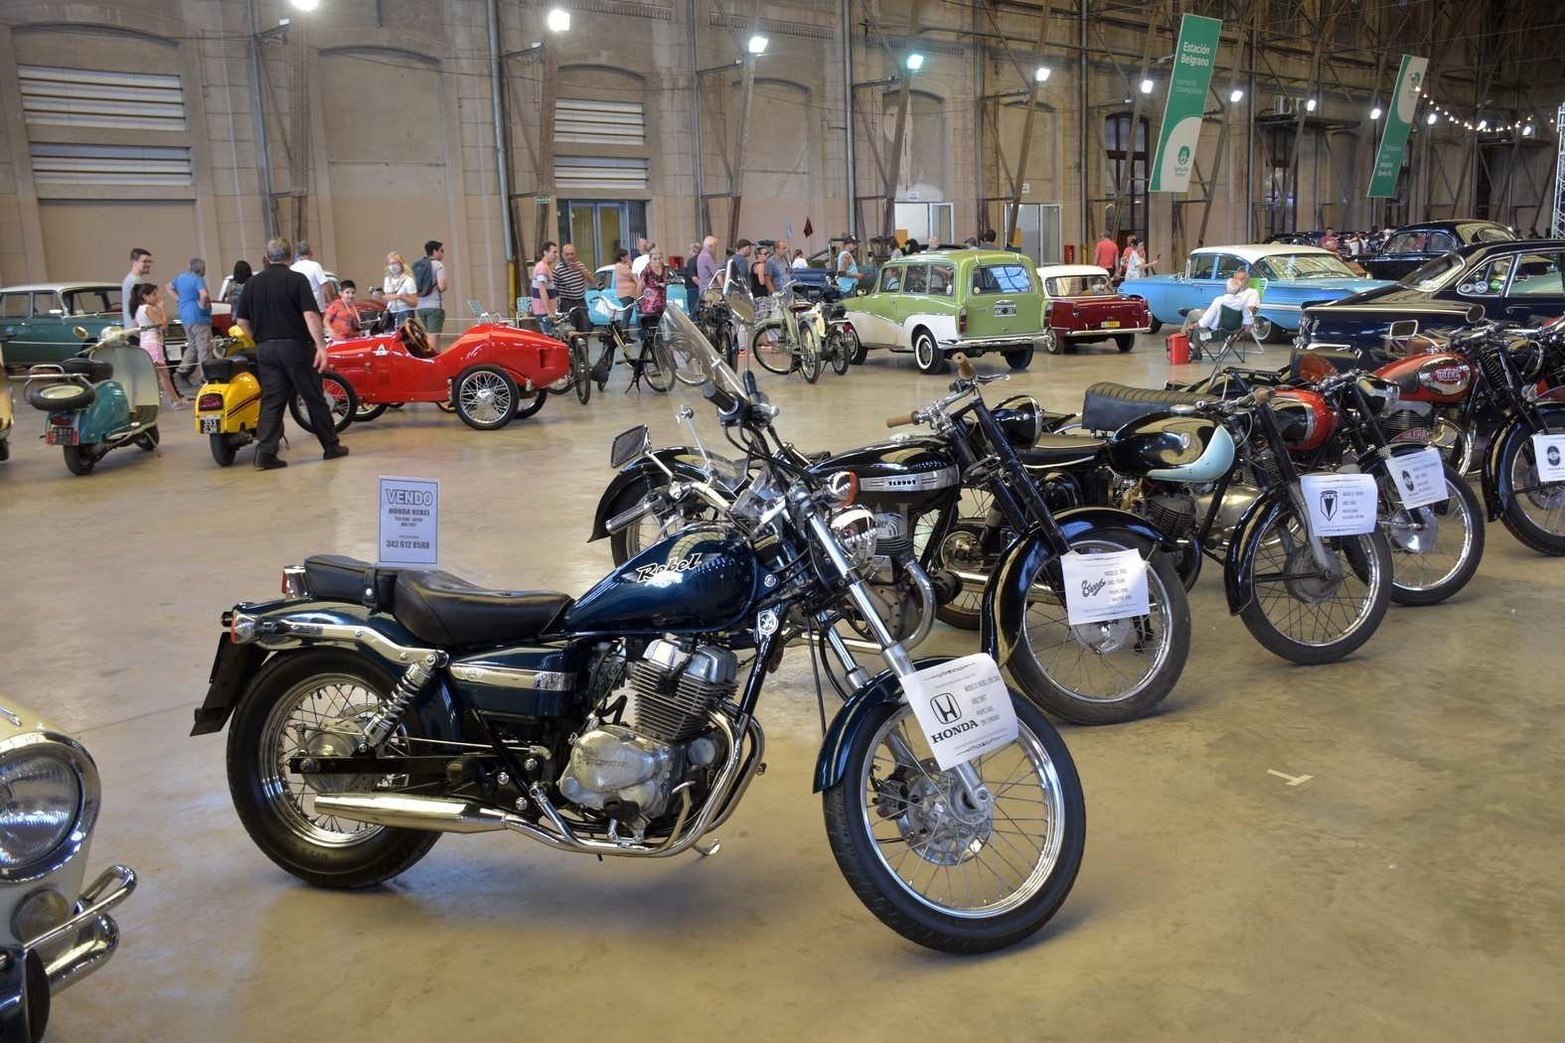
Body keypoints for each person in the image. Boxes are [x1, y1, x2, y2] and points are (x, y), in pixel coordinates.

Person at [235, 238, 346, 469]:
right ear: (289, 257)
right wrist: (321, 347)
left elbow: (242, 321)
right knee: (313, 397)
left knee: (272, 402)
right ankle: (331, 446)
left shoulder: (252, 284)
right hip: (296, 348)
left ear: (267, 257)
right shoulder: (297, 280)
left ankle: (265, 453)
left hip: (265, 349)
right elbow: (310, 315)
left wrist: (260, 339)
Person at [131, 282, 183, 407]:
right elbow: (163, 324)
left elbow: (135, 325)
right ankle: (176, 400)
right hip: (153, 343)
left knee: (157, 374)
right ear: (145, 296)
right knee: (163, 375)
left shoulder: (138, 310)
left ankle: (173, 400)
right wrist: (162, 309)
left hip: (145, 342)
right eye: (154, 294)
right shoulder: (147, 308)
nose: (157, 297)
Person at [170, 257, 213, 386]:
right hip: (199, 317)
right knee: (204, 347)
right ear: (201, 268)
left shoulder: (181, 277)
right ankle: (207, 376)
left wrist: (179, 299)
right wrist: (203, 305)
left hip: (186, 316)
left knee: (193, 345)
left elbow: (169, 287)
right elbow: (204, 294)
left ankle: (182, 371)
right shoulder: (198, 279)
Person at [636, 247, 669, 347]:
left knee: (660, 329)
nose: (657, 261)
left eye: (659, 258)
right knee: (653, 332)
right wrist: (638, 301)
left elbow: (665, 283)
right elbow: (639, 286)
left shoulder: (664, 268)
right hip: (649, 306)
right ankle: (655, 350)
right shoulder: (646, 271)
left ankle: (659, 351)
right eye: (654, 259)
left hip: (661, 304)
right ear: (650, 259)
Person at [413, 240, 448, 332]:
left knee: (429, 333)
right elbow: (442, 287)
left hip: (420, 307)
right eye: (441, 250)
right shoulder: (438, 265)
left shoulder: (419, 265)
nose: (443, 253)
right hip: (435, 306)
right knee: (434, 337)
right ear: (435, 251)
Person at [555, 242, 590, 330]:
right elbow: (553, 288)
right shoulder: (558, 269)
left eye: (572, 254)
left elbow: (591, 280)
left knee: (584, 328)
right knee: (570, 329)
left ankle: (583, 343)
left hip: (581, 301)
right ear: (563, 255)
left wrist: (581, 270)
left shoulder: (581, 265)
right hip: (567, 302)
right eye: (567, 254)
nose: (570, 257)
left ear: (575, 254)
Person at [382, 252, 418, 327]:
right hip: (391, 313)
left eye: (395, 263)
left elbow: (414, 303)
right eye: (390, 264)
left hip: (405, 312)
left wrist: (401, 297)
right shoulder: (387, 279)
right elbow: (387, 299)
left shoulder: (408, 280)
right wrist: (381, 297)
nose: (392, 266)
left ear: (401, 264)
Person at [290, 241, 328, 311]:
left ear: (297, 254)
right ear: (310, 252)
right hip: (317, 306)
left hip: (299, 308)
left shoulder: (292, 268)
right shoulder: (315, 266)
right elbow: (325, 286)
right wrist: (333, 302)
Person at [531, 241, 559, 333]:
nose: (556, 255)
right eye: (554, 252)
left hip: (546, 312)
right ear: (545, 252)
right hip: (544, 312)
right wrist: (549, 312)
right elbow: (542, 290)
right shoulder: (542, 268)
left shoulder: (545, 267)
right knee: (550, 337)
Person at [122, 247, 153, 329]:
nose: (148, 265)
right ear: (133, 262)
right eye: (145, 261)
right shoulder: (134, 281)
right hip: (137, 329)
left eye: (150, 262)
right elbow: (138, 306)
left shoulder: (134, 279)